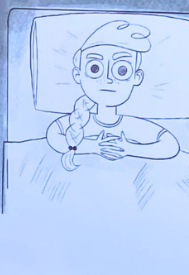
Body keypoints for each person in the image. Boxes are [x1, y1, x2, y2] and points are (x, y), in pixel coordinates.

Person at [44, 20, 180, 170]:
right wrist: (92, 147)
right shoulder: (77, 121)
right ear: (78, 74)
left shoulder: (132, 125)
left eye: (122, 70)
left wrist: (129, 149)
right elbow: (53, 136)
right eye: (95, 68)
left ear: (137, 77)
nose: (108, 79)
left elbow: (170, 145)